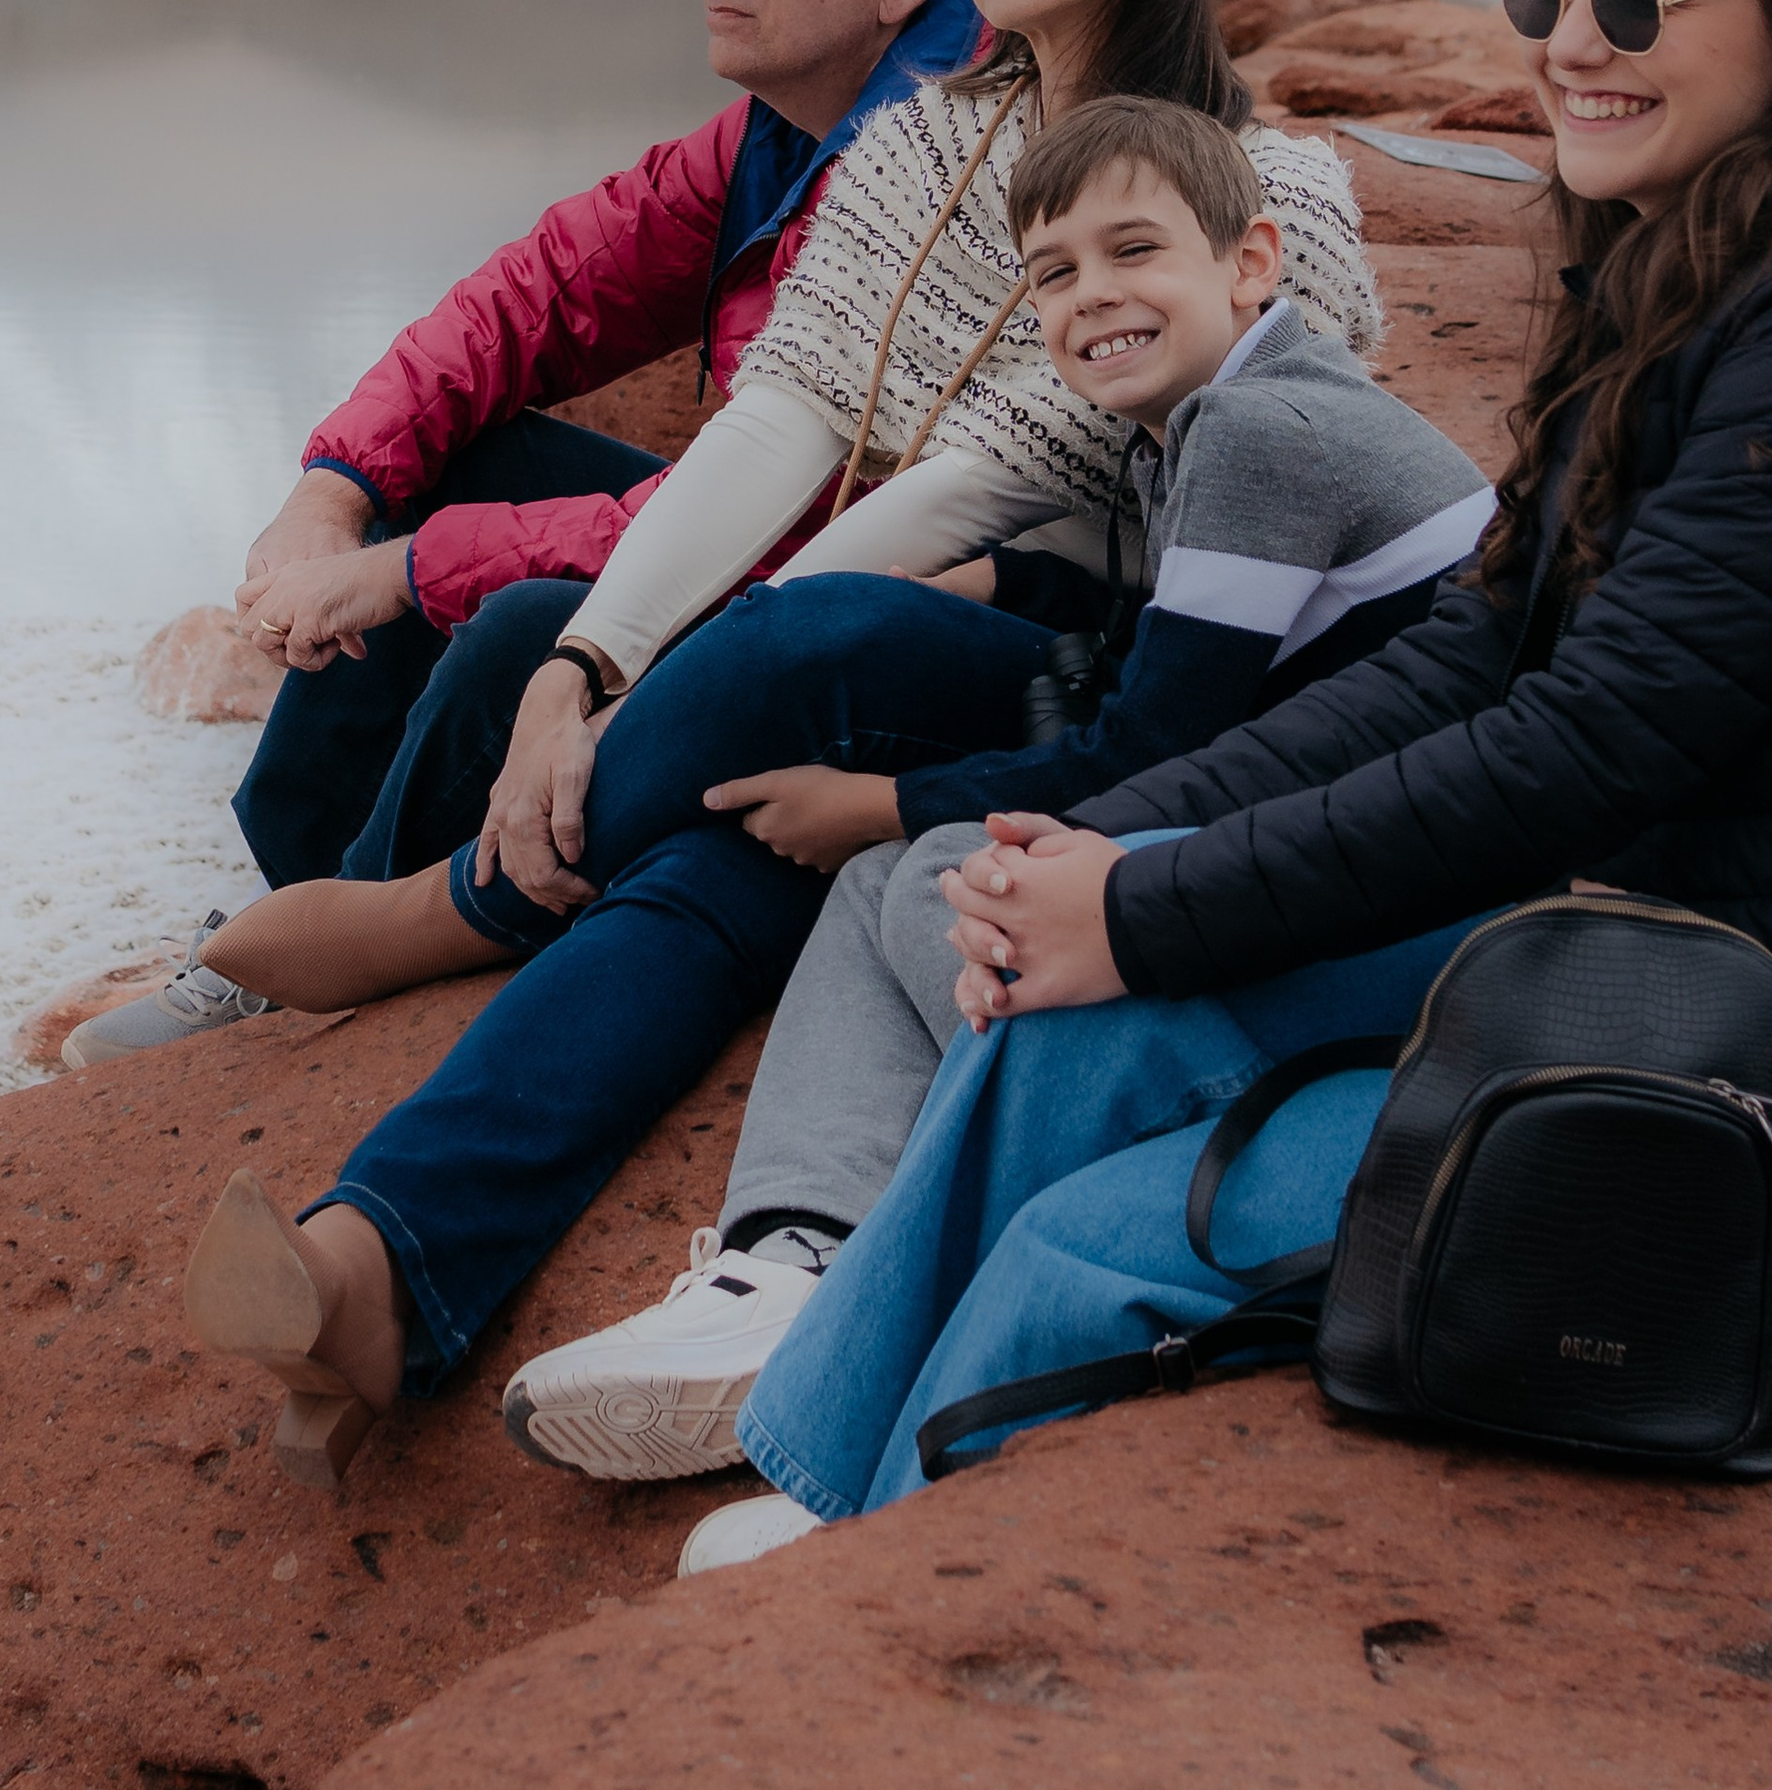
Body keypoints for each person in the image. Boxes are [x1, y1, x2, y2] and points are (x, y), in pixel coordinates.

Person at [690, 0, 1772, 1572]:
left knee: (1107, 1229)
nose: (1573, 45)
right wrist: (1099, 853)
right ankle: (828, 1469)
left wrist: (1152, 904)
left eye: (1633, 3)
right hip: (1660, 1005)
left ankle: (870, 1562)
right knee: (1078, 1014)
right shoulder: (1688, 273)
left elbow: (1583, 748)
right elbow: (1478, 648)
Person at [167, 0, 1383, 1481]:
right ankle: (373, 1275)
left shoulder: (1278, 192)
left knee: (808, 649)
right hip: (903, 658)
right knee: (721, 850)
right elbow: (787, 406)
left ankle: (463, 900)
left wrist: (682, 665)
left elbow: (1004, 466)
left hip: (1142, 685)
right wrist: (592, 655)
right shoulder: (908, 151)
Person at [495, 88, 1493, 1484]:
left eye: (1136, 251)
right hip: (1363, 844)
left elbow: (1149, 747)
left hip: (1395, 898)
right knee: (911, 882)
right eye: (1056, 272)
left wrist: (884, 804)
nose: (1095, 297)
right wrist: (1006, 577)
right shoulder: (1229, 414)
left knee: (924, 884)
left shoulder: (1263, 431)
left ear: (1254, 262)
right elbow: (1176, 640)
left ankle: (803, 1270)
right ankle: (793, 1275)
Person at [64, 0, 971, 1066]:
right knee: (456, 468)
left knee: (515, 621)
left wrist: (407, 570)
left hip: (883, 621)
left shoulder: (934, 172)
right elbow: (540, 292)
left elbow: (787, 523)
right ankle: (299, 902)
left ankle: (345, 963)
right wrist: (334, 490)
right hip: (775, 568)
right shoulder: (782, 133)